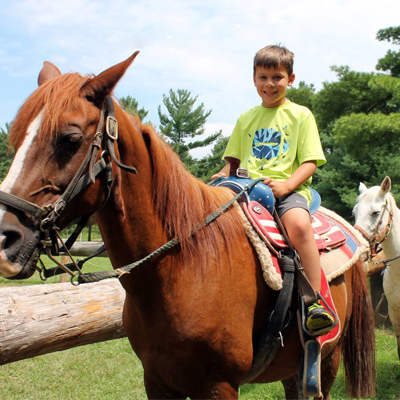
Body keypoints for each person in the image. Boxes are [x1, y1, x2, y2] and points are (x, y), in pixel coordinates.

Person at [212, 44, 334, 334]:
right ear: (254, 79)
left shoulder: (301, 115)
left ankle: (313, 302)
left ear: (290, 80)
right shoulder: (246, 119)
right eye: (263, 77)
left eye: (277, 77)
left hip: (286, 190)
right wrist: (216, 179)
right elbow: (233, 163)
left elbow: (309, 163)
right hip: (245, 188)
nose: (270, 84)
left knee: (300, 226)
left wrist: (287, 185)